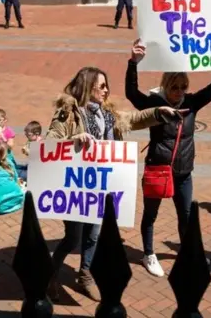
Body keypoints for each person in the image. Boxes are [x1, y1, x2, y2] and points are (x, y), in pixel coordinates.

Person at [46, 66, 185, 301]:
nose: (106, 90)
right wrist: (74, 139)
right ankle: (49, 275)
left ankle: (85, 275)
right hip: (76, 186)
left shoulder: (107, 114)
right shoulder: (68, 113)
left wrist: (159, 112)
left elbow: (134, 118)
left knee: (94, 235)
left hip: (102, 185)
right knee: (73, 237)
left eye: (106, 85)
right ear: (88, 87)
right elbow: (50, 142)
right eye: (101, 86)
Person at [125, 36, 211, 277]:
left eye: (182, 87)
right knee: (151, 214)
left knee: (185, 214)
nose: (178, 92)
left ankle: (188, 252)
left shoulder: (193, 103)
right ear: (166, 85)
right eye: (174, 87)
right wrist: (133, 62)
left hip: (183, 172)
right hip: (157, 168)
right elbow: (132, 94)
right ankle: (148, 253)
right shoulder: (155, 104)